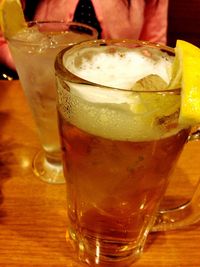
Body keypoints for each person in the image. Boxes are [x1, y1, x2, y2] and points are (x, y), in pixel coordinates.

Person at [0, 0, 169, 78]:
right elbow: (4, 37)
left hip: (116, 85)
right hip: (45, 86)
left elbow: (153, 45)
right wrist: (29, 64)